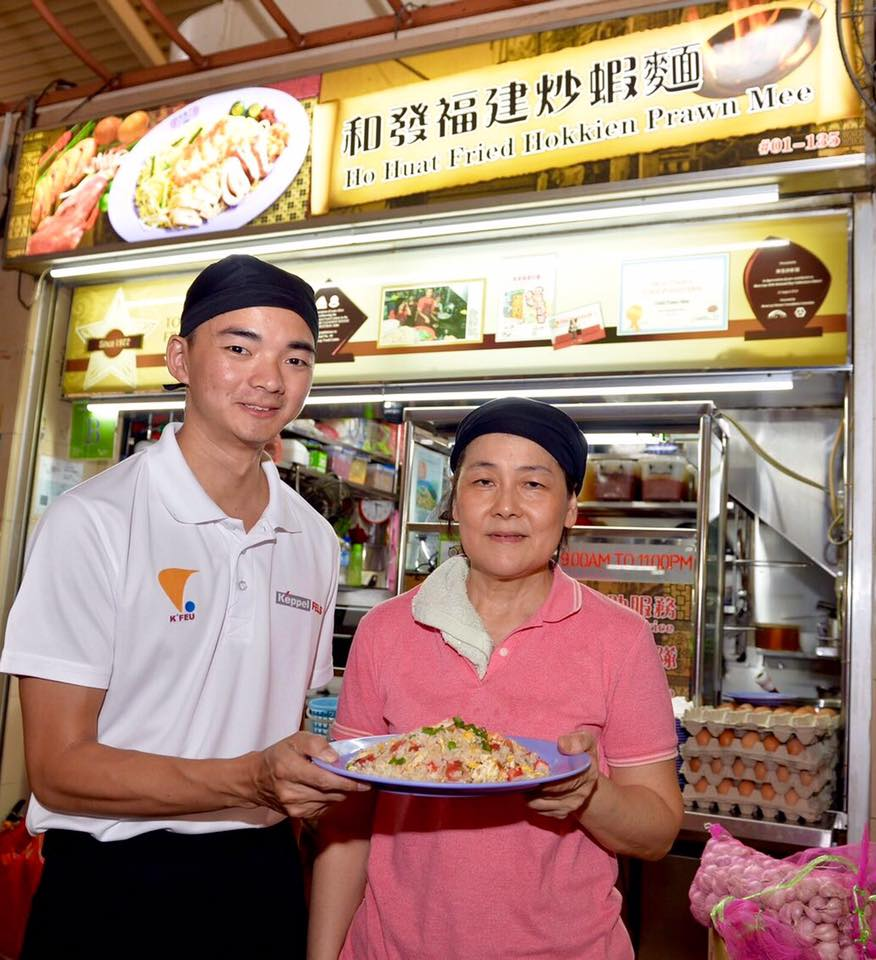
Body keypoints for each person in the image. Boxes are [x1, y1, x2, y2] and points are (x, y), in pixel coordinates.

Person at [0, 254, 367, 959]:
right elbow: (57, 767)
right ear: (180, 356)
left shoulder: (313, 541)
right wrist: (249, 778)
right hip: (113, 885)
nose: (268, 378)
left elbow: (284, 722)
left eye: (296, 358)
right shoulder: (96, 521)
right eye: (238, 348)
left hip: (262, 879)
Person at [308, 397, 683, 960]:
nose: (506, 507)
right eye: (483, 481)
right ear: (455, 501)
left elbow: (656, 832)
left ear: (571, 508)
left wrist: (588, 795)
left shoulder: (619, 639)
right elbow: (347, 820)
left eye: (533, 485)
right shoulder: (386, 630)